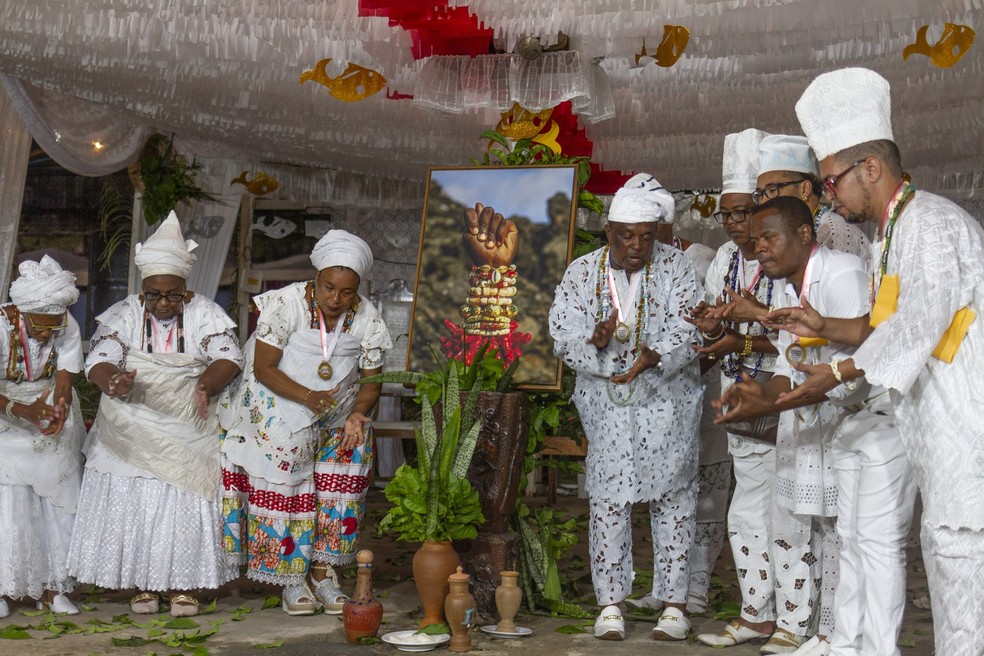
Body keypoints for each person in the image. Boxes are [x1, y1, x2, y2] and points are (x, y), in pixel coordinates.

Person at [763, 66, 984, 656]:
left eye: (831, 182)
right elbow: (883, 327)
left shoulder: (931, 223)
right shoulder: (891, 236)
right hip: (933, 434)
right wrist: (824, 328)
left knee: (964, 579)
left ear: (870, 168)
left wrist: (835, 372)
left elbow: (920, 323)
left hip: (965, 432)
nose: (828, 196)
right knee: (946, 572)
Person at [718, 197, 917, 656]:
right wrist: (758, 399)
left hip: (880, 419)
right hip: (845, 424)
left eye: (769, 237)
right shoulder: (790, 289)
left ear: (805, 235)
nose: (758, 245)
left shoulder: (843, 273)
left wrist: (786, 397)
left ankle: (879, 649)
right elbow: (796, 369)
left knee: (877, 546)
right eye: (756, 239)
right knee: (848, 540)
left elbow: (864, 360)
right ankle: (842, 643)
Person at [549, 173, 702, 642]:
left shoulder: (677, 268)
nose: (637, 245)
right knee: (608, 501)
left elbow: (693, 330)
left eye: (646, 236)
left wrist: (657, 355)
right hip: (608, 407)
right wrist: (593, 341)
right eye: (626, 236)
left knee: (673, 499)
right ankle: (610, 604)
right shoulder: (581, 271)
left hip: (667, 403)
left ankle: (674, 605)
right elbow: (560, 336)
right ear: (608, 231)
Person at [68, 212, 243, 617]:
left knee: (181, 502)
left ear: (186, 289)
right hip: (131, 422)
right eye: (154, 295)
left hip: (190, 423)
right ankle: (143, 586)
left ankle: (183, 587)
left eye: (172, 295)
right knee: (138, 502)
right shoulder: (124, 312)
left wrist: (206, 385)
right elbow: (100, 359)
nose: (163, 303)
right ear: (142, 290)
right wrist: (113, 381)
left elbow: (227, 356)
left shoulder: (205, 314)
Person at [221, 229, 392, 616]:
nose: (336, 299)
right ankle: (291, 576)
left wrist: (357, 414)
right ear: (316, 279)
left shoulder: (367, 316)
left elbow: (371, 378)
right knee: (291, 476)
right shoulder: (286, 303)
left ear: (358, 289)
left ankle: (322, 572)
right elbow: (264, 368)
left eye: (346, 292)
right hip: (281, 401)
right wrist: (307, 398)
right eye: (329, 288)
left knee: (347, 468)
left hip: (338, 406)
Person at [692, 129, 802, 653]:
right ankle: (756, 613)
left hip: (789, 392)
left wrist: (742, 333)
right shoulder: (724, 261)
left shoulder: (785, 250)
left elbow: (796, 332)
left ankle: (799, 621)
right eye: (729, 215)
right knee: (745, 509)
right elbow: (724, 330)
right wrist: (712, 329)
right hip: (741, 392)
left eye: (746, 211)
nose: (738, 224)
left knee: (791, 507)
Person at [0, 256, 84, 617]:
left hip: (47, 402)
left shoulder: (64, 321)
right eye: (42, 326)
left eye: (55, 326)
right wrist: (23, 411)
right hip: (7, 411)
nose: (49, 334)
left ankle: (53, 587)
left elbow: (65, 375)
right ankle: (4, 589)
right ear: (22, 312)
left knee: (60, 497)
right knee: (10, 500)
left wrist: (59, 408)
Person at [754, 134, 869, 261]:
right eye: (759, 194)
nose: (763, 201)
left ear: (805, 189)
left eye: (772, 190)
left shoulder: (832, 231)